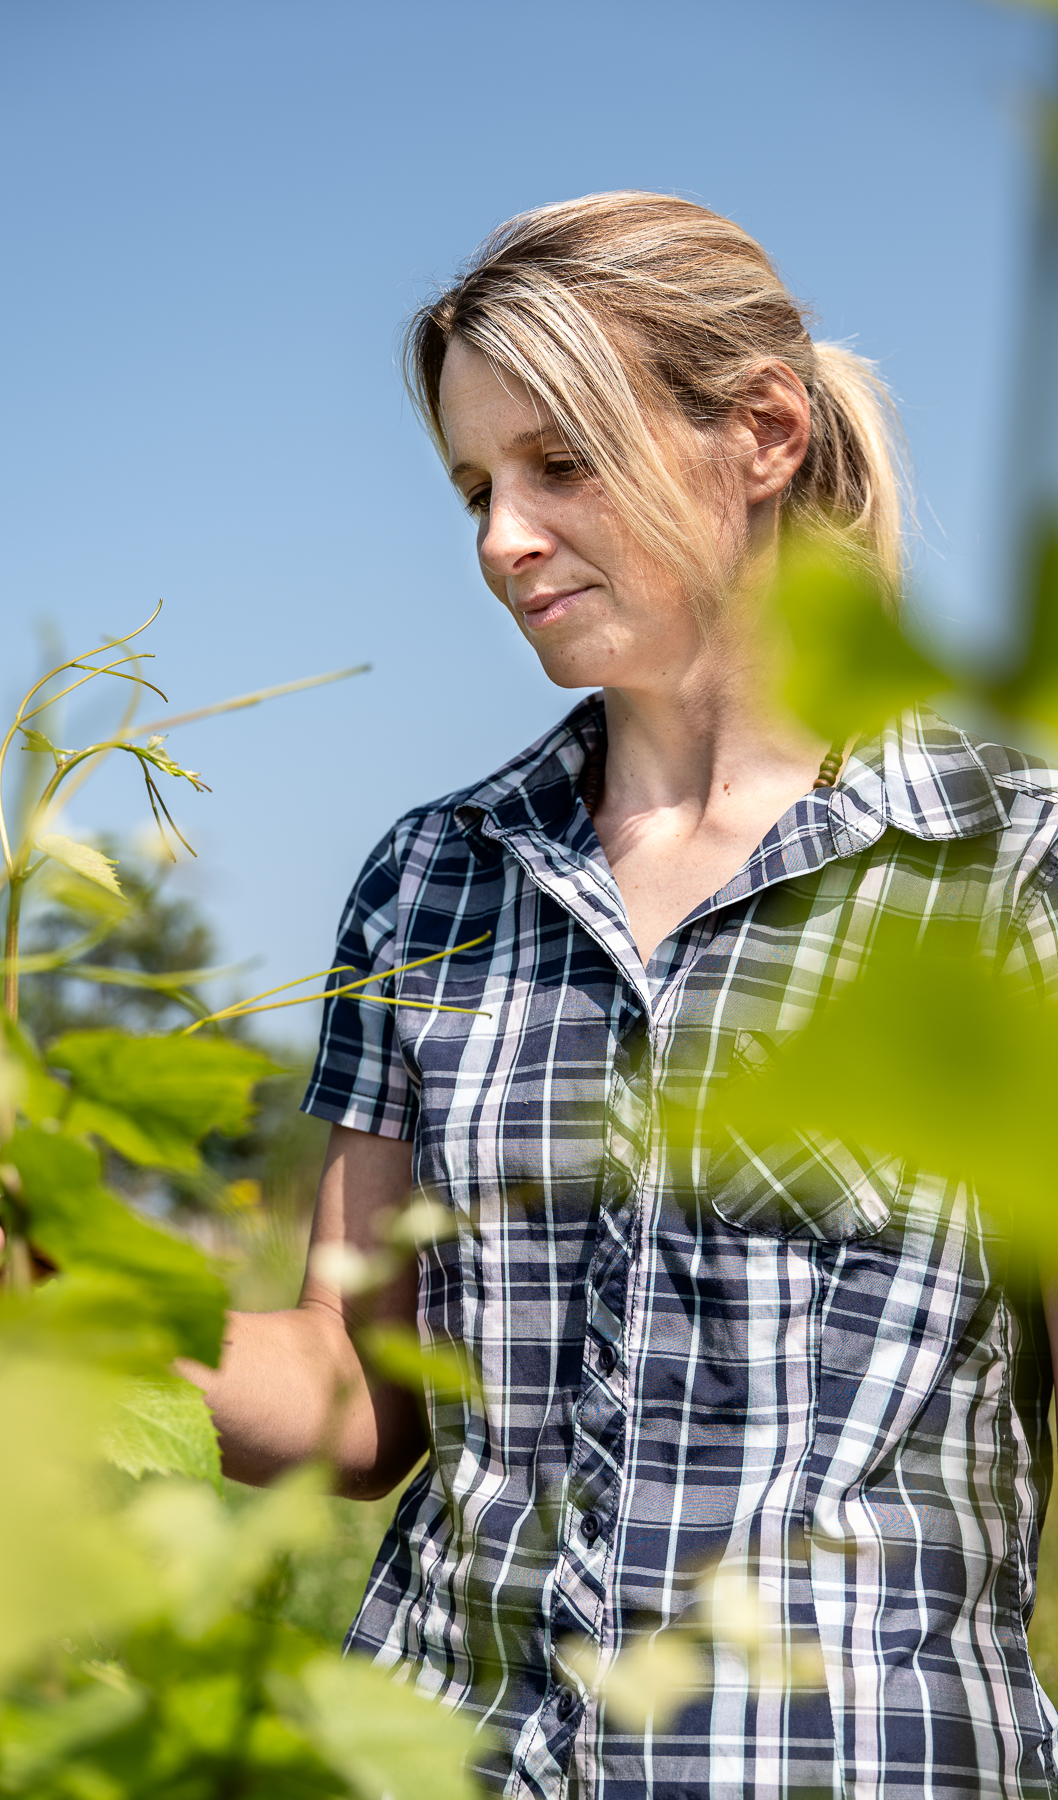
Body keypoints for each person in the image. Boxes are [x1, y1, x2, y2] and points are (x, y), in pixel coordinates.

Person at [187, 193, 1058, 1798]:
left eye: (558, 464)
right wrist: (80, 1308)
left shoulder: (1010, 873)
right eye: (473, 487)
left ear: (765, 435)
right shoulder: (436, 879)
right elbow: (353, 1398)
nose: (499, 538)